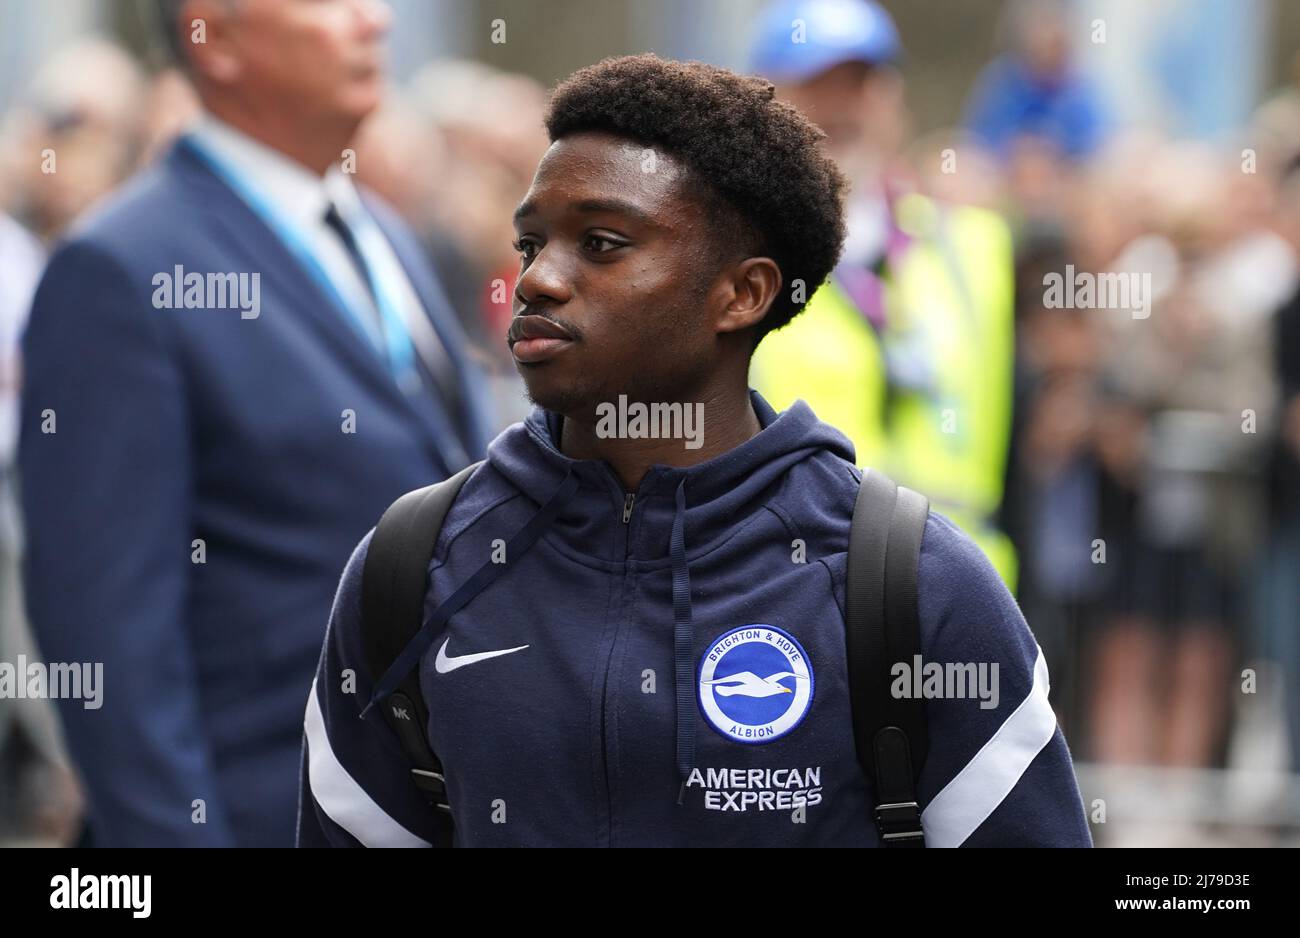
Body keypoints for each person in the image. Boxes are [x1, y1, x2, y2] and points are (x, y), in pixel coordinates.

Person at [298, 54, 1091, 847]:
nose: (538, 279)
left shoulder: (912, 582)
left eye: (602, 243)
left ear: (742, 294)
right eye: (532, 242)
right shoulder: (413, 565)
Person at [19, 0, 493, 847]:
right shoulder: (121, 269)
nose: (374, 19)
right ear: (219, 38)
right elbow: (110, 645)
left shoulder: (381, 232)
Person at [748, 0, 1019, 588]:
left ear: (896, 98)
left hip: (955, 590)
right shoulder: (730, 257)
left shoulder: (974, 243)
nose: (842, 107)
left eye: (864, 83)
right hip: (794, 582)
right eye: (816, 85)